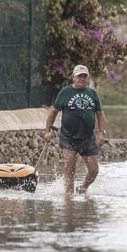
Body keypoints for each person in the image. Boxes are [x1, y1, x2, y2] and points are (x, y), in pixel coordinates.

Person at [44, 64, 108, 195]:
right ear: (73, 77)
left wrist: (101, 132)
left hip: (88, 138)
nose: (82, 79)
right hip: (68, 137)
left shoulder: (92, 94)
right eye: (79, 76)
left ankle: (84, 187)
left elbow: (100, 114)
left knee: (94, 170)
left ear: (88, 78)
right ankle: (69, 199)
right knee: (70, 168)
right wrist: (47, 131)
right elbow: (53, 112)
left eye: (84, 76)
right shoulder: (65, 92)